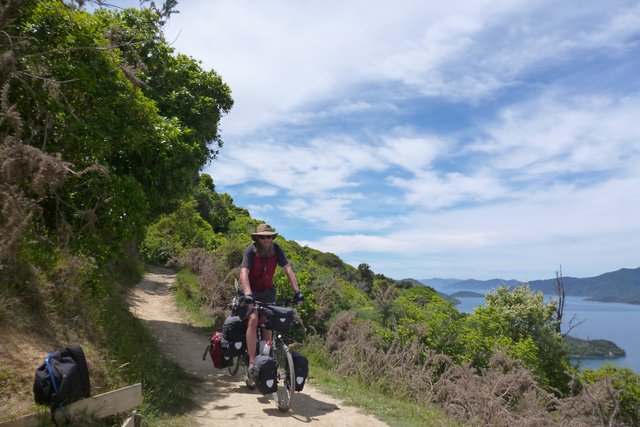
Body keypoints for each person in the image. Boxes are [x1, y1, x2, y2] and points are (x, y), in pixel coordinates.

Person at [238, 223, 304, 372]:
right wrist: (248, 294)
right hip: (249, 289)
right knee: (254, 319)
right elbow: (243, 273)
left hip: (267, 290)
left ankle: (266, 358)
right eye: (263, 237)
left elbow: (287, 269)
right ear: (257, 238)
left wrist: (297, 291)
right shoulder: (251, 250)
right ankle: (252, 362)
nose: (266, 240)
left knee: (268, 321)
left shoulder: (276, 250)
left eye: (269, 237)